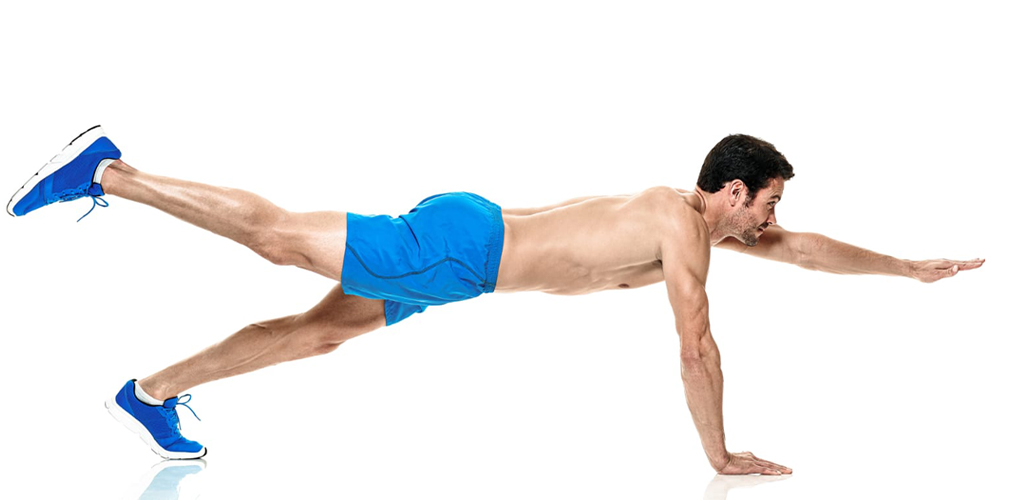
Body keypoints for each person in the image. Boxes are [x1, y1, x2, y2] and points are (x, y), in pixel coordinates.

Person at [7, 126, 984, 474]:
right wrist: (718, 455)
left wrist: (906, 269)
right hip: (462, 251)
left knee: (314, 334)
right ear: (732, 190)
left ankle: (150, 392)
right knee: (279, 241)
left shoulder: (688, 220)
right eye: (767, 202)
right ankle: (112, 172)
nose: (772, 220)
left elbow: (804, 252)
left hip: (461, 262)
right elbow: (697, 344)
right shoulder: (681, 229)